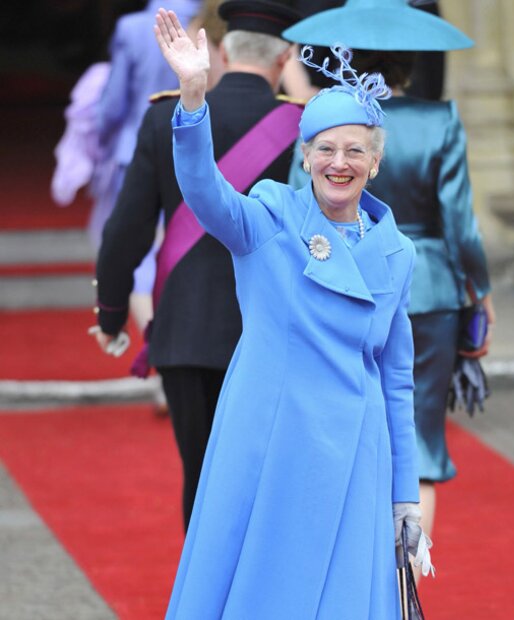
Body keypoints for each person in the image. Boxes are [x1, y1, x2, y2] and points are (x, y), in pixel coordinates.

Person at [154, 8, 432, 618]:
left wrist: (404, 495)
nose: (340, 162)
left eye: (355, 150)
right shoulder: (269, 219)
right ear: (305, 157)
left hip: (356, 450)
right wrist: (195, 98)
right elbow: (204, 191)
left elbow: (396, 376)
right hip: (272, 440)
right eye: (326, 149)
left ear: (375, 163)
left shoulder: (396, 252)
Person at [284, 0, 496, 546]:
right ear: (409, 62)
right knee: (420, 442)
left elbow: (297, 208)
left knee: (339, 433)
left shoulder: (324, 123)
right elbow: (461, 224)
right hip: (429, 288)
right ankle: (406, 583)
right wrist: (481, 291)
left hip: (339, 284)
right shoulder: (440, 119)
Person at [93, 0, 303, 531]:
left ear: (224, 51)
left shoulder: (166, 116)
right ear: (284, 61)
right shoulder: (304, 128)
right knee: (270, 479)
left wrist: (113, 312)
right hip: (273, 330)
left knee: (204, 478)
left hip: (186, 331)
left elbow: (127, 230)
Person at [96, 0, 203, 332]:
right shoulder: (207, 23)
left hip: (136, 147)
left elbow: (114, 101)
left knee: (136, 237)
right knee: (187, 237)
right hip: (194, 140)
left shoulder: (131, 27)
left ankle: (150, 331)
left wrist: (100, 138)